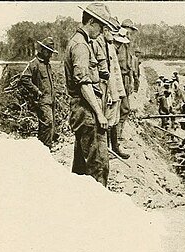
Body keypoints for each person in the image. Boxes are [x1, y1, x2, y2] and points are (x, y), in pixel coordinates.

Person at [65, 3, 116, 186]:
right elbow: (84, 83)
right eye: (101, 27)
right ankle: (99, 209)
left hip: (84, 111)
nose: (102, 32)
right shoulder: (81, 46)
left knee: (80, 167)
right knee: (98, 166)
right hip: (87, 112)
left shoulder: (82, 42)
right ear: (91, 22)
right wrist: (99, 113)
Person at [20, 36, 58, 150]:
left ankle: (44, 149)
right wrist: (37, 91)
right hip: (42, 101)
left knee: (48, 125)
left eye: (51, 52)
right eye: (49, 52)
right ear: (43, 50)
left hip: (51, 100)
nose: (50, 55)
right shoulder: (34, 63)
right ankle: (46, 149)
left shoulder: (47, 64)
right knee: (47, 123)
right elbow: (24, 78)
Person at [108, 26, 130, 159]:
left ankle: (115, 148)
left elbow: (117, 75)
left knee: (115, 120)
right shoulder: (108, 49)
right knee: (110, 121)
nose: (119, 45)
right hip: (110, 92)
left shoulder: (113, 51)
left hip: (117, 90)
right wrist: (110, 94)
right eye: (118, 42)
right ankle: (110, 150)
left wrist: (121, 93)